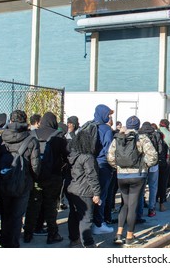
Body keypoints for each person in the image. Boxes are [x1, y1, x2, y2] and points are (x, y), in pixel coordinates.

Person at [107, 115, 158, 246]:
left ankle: (118, 234)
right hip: (137, 176)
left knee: (124, 204)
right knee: (133, 205)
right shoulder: (142, 138)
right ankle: (129, 236)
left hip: (121, 176)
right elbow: (153, 156)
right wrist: (144, 166)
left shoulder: (118, 137)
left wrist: (118, 167)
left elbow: (110, 157)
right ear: (138, 126)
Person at [0, 110, 41, 248]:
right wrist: (33, 179)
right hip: (23, 183)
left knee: (5, 214)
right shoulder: (31, 139)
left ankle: (3, 241)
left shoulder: (2, 138)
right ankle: (13, 245)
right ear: (25, 122)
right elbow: (35, 166)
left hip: (4, 181)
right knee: (17, 216)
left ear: (10, 121)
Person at [23, 112, 68, 244]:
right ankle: (52, 234)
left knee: (33, 205)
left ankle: (27, 234)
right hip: (53, 176)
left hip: (35, 175)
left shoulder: (32, 134)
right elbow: (66, 156)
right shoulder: (59, 136)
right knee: (50, 206)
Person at [67, 129, 101, 248]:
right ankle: (88, 243)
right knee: (86, 218)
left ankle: (74, 238)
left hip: (73, 189)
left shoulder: (73, 155)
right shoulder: (88, 158)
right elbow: (92, 176)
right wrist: (97, 193)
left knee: (74, 215)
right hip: (85, 191)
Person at [91, 104, 115, 234]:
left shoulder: (88, 126)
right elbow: (109, 151)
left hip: (88, 164)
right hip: (102, 165)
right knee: (101, 195)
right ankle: (99, 224)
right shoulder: (106, 130)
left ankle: (88, 221)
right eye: (108, 114)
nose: (109, 116)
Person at [158, 119, 170, 211]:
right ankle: (162, 198)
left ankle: (154, 197)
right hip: (166, 158)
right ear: (167, 125)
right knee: (164, 180)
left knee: (154, 181)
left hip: (155, 159)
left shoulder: (156, 132)